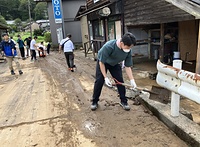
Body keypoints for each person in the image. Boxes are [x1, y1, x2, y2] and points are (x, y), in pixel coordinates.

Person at [91, 32, 137, 111]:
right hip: (103, 62)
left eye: (130, 47)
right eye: (128, 47)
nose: (129, 49)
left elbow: (127, 66)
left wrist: (132, 80)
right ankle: (94, 101)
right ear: (122, 43)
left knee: (120, 81)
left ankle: (124, 101)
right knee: (99, 81)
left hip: (115, 63)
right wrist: (105, 77)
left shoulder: (128, 51)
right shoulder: (109, 46)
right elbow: (101, 63)